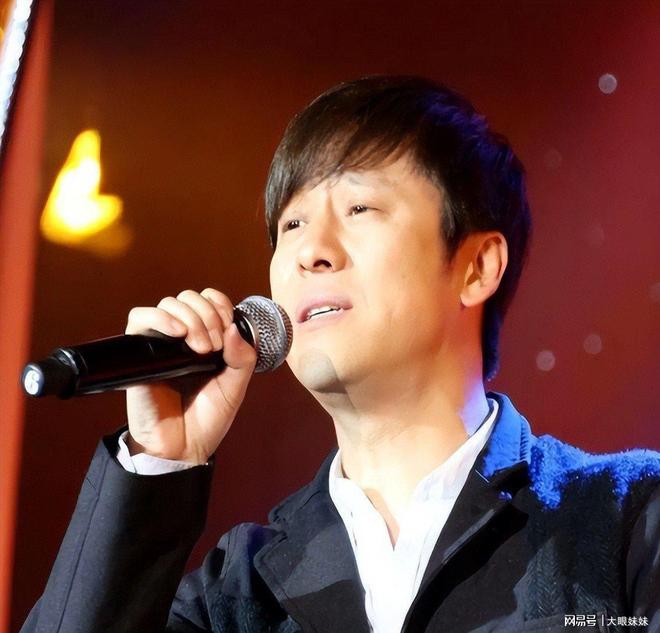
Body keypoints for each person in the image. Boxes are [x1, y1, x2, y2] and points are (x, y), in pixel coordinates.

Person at [22, 76, 659, 633]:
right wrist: (159, 464)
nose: (309, 252)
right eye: (291, 225)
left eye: (359, 207)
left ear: (477, 267)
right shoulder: (240, 592)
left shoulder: (627, 518)